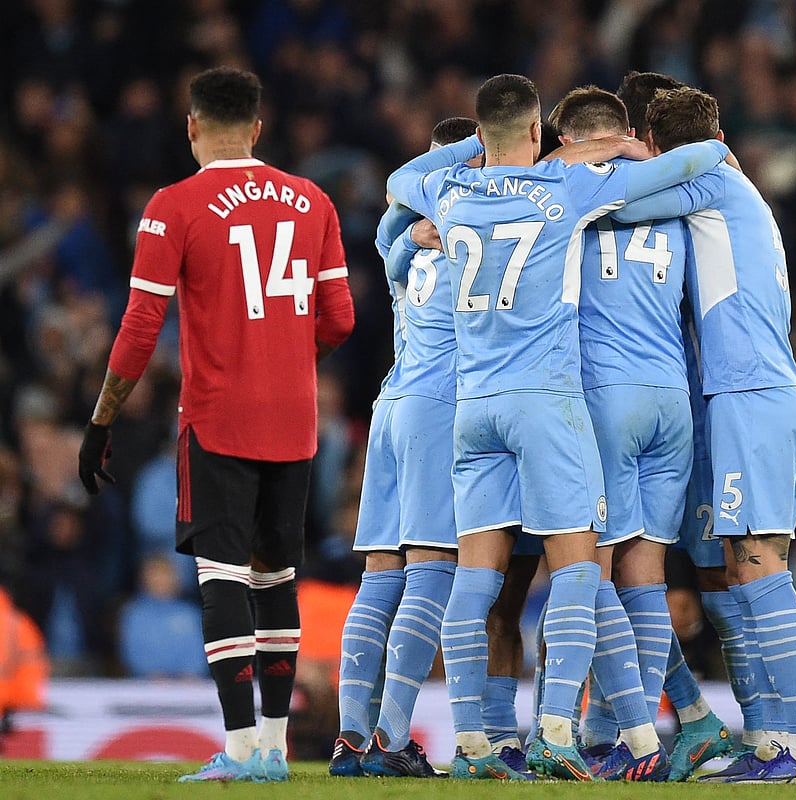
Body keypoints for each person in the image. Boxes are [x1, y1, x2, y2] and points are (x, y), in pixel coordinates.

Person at [384, 73, 730, 780]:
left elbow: (398, 179)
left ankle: (473, 745)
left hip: (474, 407)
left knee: (474, 583)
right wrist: (616, 146)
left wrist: (476, 156)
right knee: (577, 569)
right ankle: (556, 732)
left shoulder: (449, 189)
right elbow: (699, 161)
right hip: (547, 400)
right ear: (538, 131)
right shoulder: (564, 189)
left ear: (482, 134)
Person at [77, 66, 355, 783]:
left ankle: (239, 749)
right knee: (277, 578)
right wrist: (286, 361)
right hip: (294, 421)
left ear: (192, 125)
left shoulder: (174, 206)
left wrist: (102, 420)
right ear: (258, 127)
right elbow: (340, 319)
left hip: (218, 419)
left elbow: (141, 325)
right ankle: (274, 748)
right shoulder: (313, 200)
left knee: (222, 577)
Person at [611, 87, 796, 784]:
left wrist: (606, 150)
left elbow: (617, 204)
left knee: (760, 566)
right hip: (756, 392)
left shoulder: (709, 179)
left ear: (660, 146)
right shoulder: (732, 190)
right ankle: (773, 743)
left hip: (749, 395)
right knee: (745, 568)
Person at [329, 116, 481, 779]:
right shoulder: (479, 233)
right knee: (432, 568)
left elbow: (387, 231)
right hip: (438, 407)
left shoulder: (404, 240)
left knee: (379, 574)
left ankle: (349, 737)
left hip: (390, 402)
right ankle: (391, 739)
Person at [547, 85, 681, 782]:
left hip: (605, 396)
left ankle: (622, 734)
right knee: (646, 579)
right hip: (672, 397)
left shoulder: (563, 191)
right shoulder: (676, 190)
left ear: (566, 139)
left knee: (587, 570)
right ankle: (617, 740)